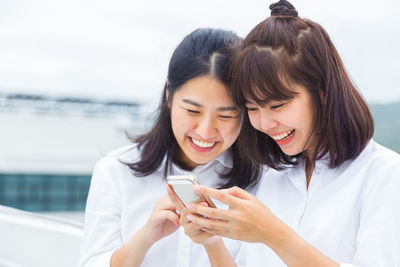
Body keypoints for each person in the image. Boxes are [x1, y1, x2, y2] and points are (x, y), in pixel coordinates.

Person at [177, 1, 400, 266]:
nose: (265, 123)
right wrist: (212, 240)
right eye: (252, 107)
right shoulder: (271, 176)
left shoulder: (384, 175)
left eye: (277, 105)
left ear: (322, 92)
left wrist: (273, 234)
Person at [77, 28, 261, 267]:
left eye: (226, 116)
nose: (205, 131)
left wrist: (213, 242)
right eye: (192, 111)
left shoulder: (262, 180)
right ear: (169, 95)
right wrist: (144, 238)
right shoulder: (115, 172)